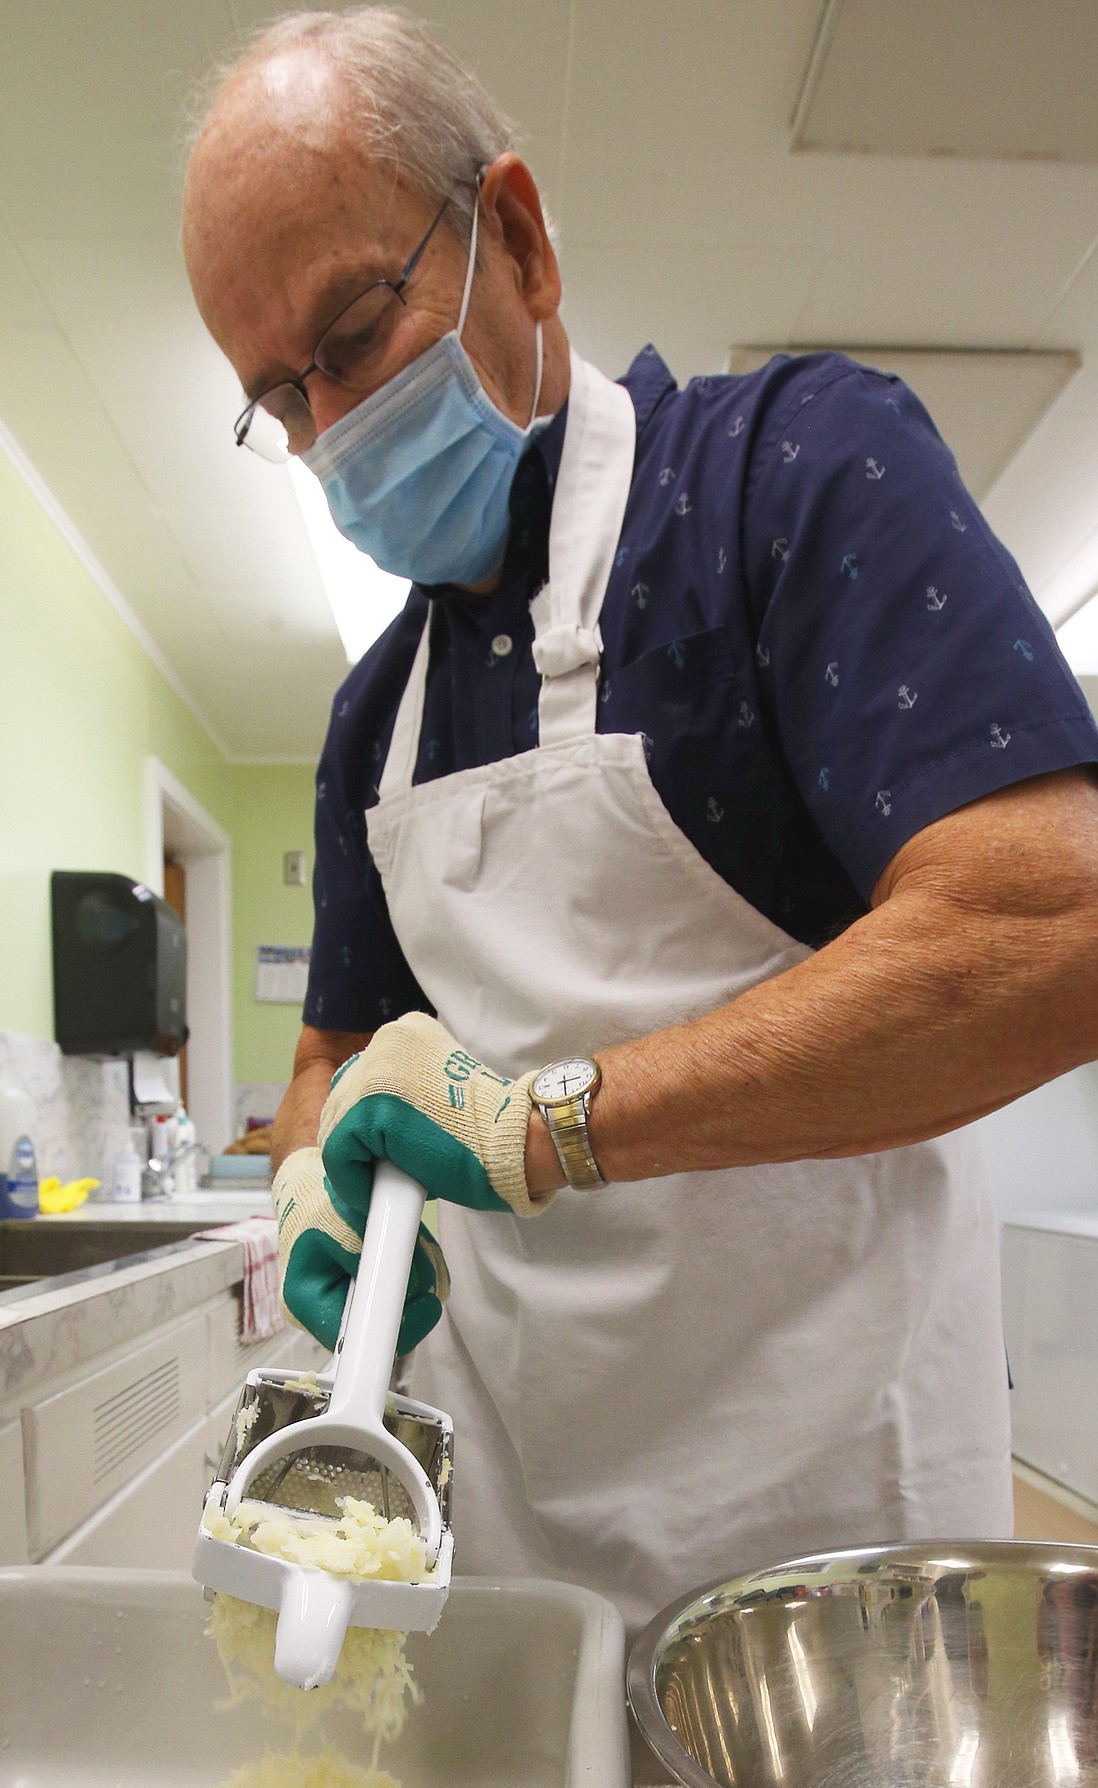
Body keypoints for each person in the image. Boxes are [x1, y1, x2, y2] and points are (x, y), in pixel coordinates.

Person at [183, 8, 1098, 1635]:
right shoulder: (367, 727)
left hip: (823, 1536)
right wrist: (313, 1170)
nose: (334, 429)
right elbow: (336, 1057)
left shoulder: (789, 477)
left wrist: (550, 1124)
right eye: (283, 397)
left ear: (515, 241)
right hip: (515, 1525)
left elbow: (1048, 927)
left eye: (352, 335)